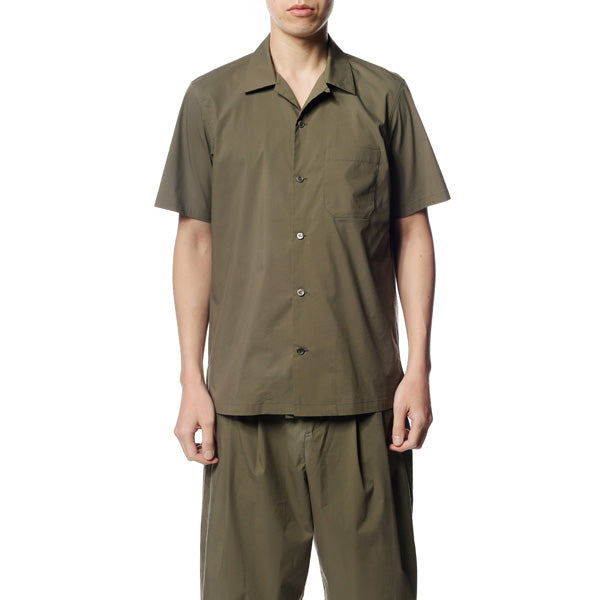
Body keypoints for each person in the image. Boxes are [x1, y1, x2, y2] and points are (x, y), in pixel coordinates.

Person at [154, 1, 450, 598]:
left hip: (365, 403)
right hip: (245, 406)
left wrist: (418, 368)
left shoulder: (384, 96)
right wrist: (190, 379)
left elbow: (412, 233)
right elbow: (196, 241)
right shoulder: (210, 100)